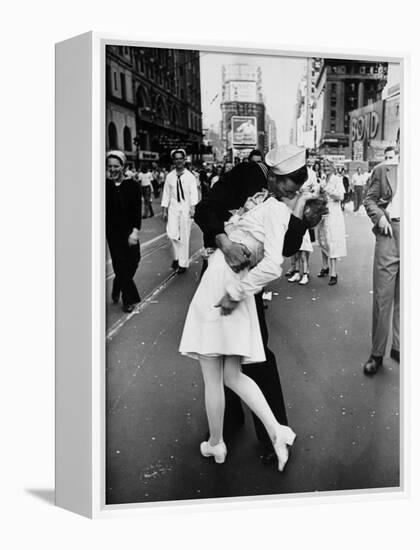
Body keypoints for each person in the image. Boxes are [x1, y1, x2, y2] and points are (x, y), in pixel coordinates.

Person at [180, 145, 316, 470]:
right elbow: (206, 209)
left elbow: (285, 249)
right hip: (222, 266)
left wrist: (299, 217)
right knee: (219, 357)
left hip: (247, 280)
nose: (290, 189)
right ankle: (225, 425)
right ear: (272, 173)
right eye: (286, 182)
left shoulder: (294, 198)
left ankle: (268, 434)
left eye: (296, 184)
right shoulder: (245, 174)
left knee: (254, 354)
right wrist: (225, 243)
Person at [362, 146, 400, 375]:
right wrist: (379, 218)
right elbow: (369, 200)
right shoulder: (383, 170)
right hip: (389, 233)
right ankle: (377, 354)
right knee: (383, 298)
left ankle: (399, 347)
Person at [106, 150, 142, 313]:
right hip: (112, 232)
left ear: (123, 167)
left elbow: (136, 211)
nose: (112, 169)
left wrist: (134, 232)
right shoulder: (104, 186)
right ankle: (129, 300)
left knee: (134, 260)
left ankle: (118, 284)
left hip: (129, 231)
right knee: (120, 263)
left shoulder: (132, 186)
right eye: (109, 166)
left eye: (116, 166)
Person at [161, 149, 198, 273]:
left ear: (184, 160)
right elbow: (166, 193)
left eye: (180, 158)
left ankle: (183, 263)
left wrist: (193, 208)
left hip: (186, 208)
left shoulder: (190, 177)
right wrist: (164, 210)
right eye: (176, 159)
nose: (178, 161)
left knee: (184, 236)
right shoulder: (170, 176)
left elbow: (193, 193)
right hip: (173, 208)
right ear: (173, 161)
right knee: (171, 234)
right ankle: (176, 257)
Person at [317, 159, 347, 286]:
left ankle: (333, 272)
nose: (325, 167)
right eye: (324, 166)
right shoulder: (323, 179)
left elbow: (341, 196)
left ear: (333, 167)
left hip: (334, 213)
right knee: (323, 240)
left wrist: (328, 190)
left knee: (333, 240)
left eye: (328, 166)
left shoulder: (337, 179)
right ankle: (325, 266)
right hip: (323, 213)